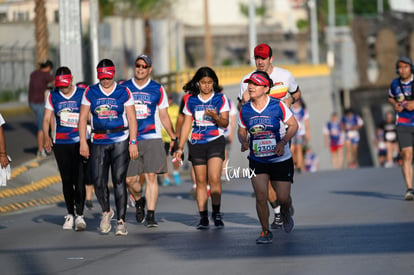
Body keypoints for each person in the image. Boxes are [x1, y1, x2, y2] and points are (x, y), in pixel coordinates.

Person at [238, 43, 301, 230]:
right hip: (258, 141)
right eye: (257, 58)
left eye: (263, 58)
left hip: (281, 134)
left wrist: (289, 100)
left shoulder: (285, 76)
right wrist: (244, 138)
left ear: (270, 59)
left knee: (282, 192)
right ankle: (272, 220)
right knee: (262, 192)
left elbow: (297, 94)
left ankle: (285, 207)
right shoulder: (246, 81)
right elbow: (244, 109)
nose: (260, 61)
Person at [79, 58, 138, 235]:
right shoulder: (90, 91)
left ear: (113, 74)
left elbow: (132, 118)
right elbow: (82, 118)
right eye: (102, 77)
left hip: (120, 139)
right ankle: (106, 211)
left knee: (119, 180)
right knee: (98, 181)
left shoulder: (124, 91)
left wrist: (133, 142)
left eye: (108, 77)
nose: (105, 80)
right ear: (98, 76)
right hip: (98, 141)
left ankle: (121, 221)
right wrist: (83, 141)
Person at [123, 54, 177, 228]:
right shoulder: (124, 87)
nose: (140, 69)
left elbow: (163, 115)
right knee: (130, 180)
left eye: (144, 66)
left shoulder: (157, 89)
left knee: (151, 177)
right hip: (130, 138)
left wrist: (173, 136)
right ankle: (139, 200)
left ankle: (151, 215)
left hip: (152, 137)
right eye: (138, 65)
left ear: (149, 69)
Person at [173, 66, 229, 230]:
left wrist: (215, 117)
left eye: (209, 82)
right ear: (198, 83)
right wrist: (180, 146)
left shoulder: (220, 99)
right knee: (201, 181)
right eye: (203, 82)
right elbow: (186, 124)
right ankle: (203, 217)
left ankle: (217, 214)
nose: (206, 86)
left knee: (214, 178)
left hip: (215, 140)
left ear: (214, 82)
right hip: (197, 143)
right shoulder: (191, 100)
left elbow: (225, 123)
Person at [42, 66, 87, 231]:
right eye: (61, 86)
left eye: (66, 86)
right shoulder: (53, 96)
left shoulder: (82, 93)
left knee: (80, 180)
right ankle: (70, 214)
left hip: (79, 141)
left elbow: (89, 115)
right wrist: (47, 136)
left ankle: (80, 216)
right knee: (67, 180)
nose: (63, 89)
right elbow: (46, 118)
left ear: (72, 80)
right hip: (61, 143)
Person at [388, 56, 414, 200]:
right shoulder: (395, 83)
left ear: (411, 68)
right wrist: (395, 105)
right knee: (407, 154)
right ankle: (409, 189)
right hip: (403, 123)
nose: (403, 70)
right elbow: (390, 97)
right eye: (400, 67)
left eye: (405, 67)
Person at [28, 59, 54, 157]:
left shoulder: (34, 73)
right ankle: (40, 150)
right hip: (39, 103)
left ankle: (43, 147)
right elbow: (57, 84)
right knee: (41, 127)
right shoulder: (47, 75)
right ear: (48, 68)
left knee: (41, 124)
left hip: (31, 102)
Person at [76, 81, 94, 210]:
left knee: (89, 169)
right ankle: (78, 195)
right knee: (76, 169)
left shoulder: (89, 102)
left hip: (89, 139)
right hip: (75, 139)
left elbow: (90, 119)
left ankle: (88, 198)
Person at [161, 93, 181, 186]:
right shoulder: (160, 108)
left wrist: (178, 133)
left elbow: (181, 121)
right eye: (167, 99)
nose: (169, 100)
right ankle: (166, 178)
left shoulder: (176, 108)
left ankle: (176, 173)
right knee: (164, 158)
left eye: (170, 98)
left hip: (174, 136)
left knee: (175, 156)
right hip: (163, 137)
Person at [290, 98, 310, 172]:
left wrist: (308, 133)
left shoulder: (303, 111)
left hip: (300, 132)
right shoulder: (290, 110)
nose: (295, 104)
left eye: (297, 102)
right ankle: (295, 161)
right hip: (292, 131)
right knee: (291, 149)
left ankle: (299, 166)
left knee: (299, 148)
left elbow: (307, 122)